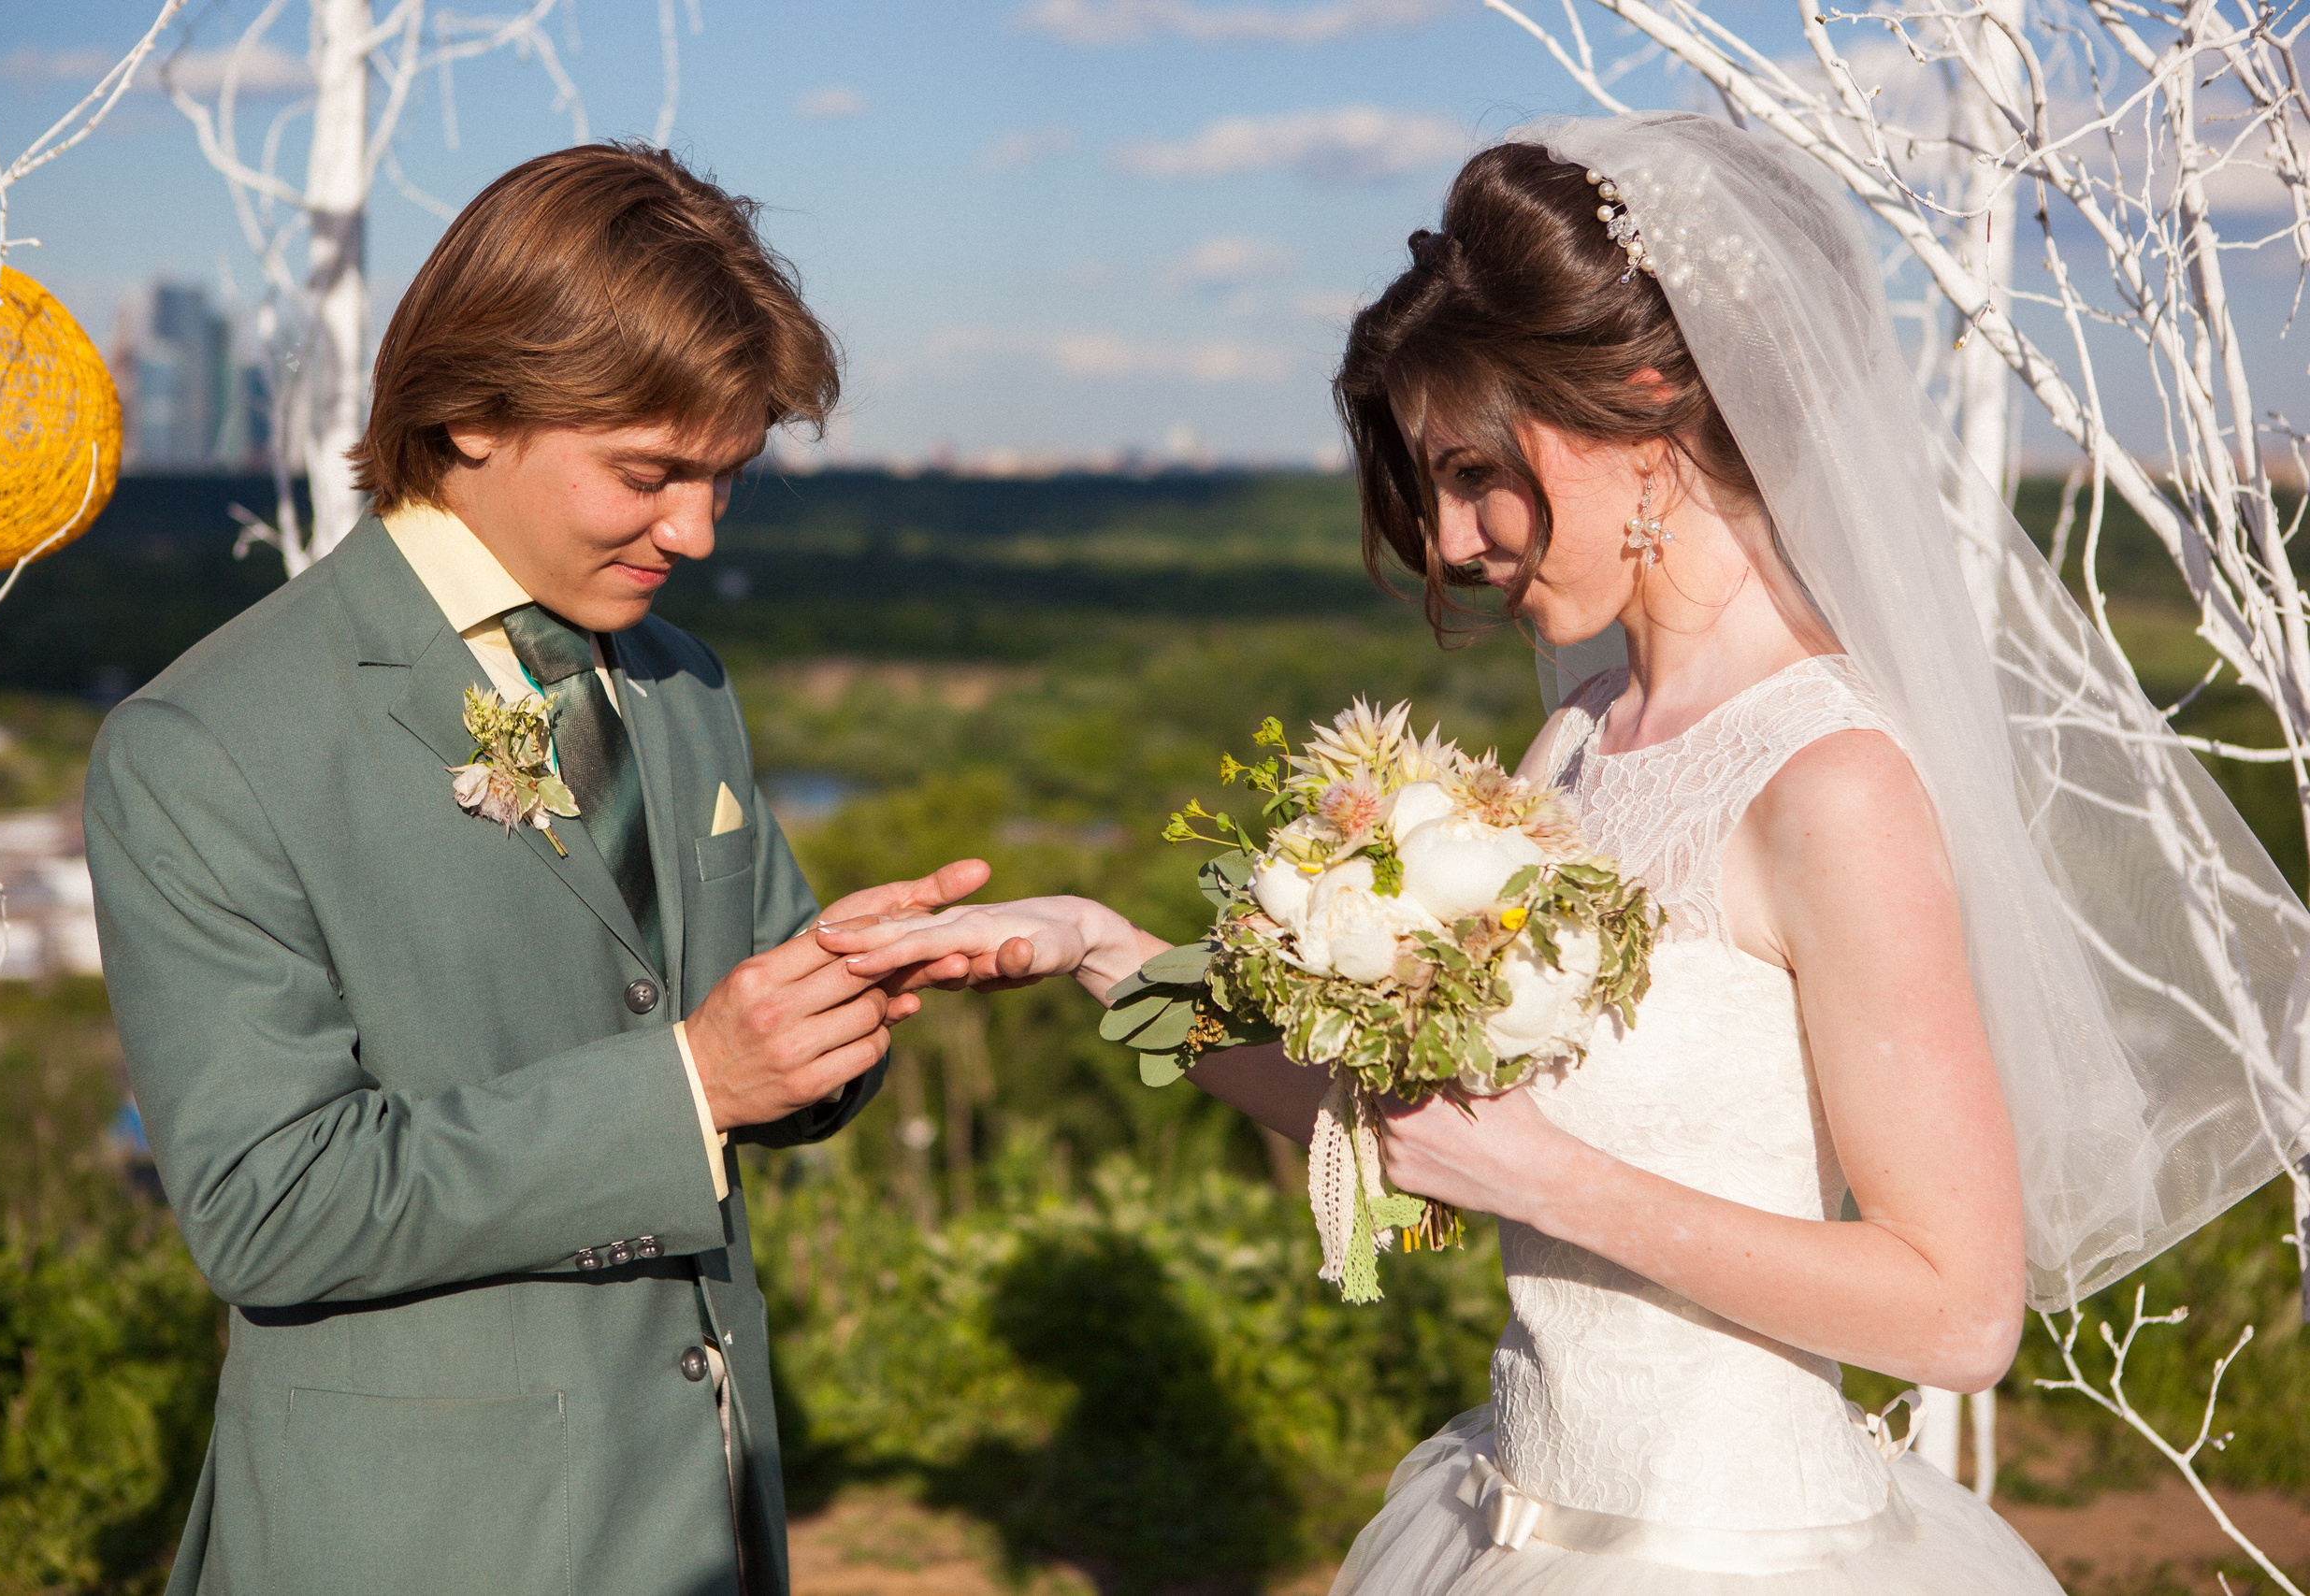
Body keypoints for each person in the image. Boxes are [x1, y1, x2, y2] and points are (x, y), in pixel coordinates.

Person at [821, 113, 2310, 1592]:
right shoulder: (1581, 746)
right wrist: (1105, 954)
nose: (1452, 544)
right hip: (1507, 1515)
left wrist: (1547, 1180)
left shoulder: (1830, 781)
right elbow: (1413, 1141)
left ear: (1647, 409)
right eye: (1430, 486)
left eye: (1475, 471)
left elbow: (1957, 1308)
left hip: (1733, 1558)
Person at [85, 143, 992, 1596]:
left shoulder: (680, 683)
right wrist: (693, 1088)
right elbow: (268, 1203)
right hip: (417, 1544)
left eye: (726, 479)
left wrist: (841, 1004)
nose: (694, 531)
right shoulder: (205, 743)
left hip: (706, 1523)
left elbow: (737, 1027)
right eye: (650, 474)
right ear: (468, 413)